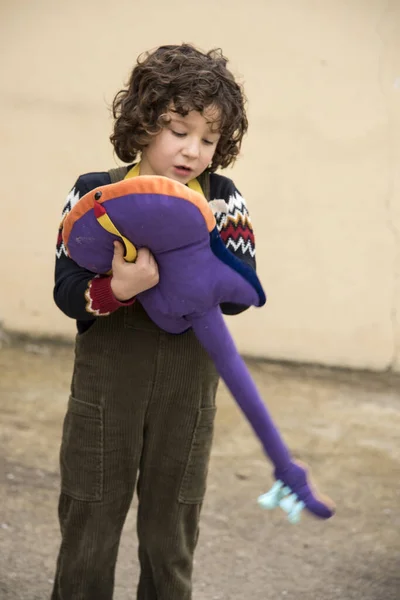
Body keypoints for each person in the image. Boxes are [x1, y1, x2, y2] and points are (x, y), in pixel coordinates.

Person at [52, 43, 257, 600]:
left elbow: (240, 294)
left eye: (209, 140)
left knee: (172, 527)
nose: (193, 150)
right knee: (90, 517)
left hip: (187, 388)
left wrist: (201, 253)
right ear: (143, 125)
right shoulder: (94, 191)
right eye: (178, 130)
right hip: (106, 385)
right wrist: (117, 289)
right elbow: (66, 289)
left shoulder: (223, 198)